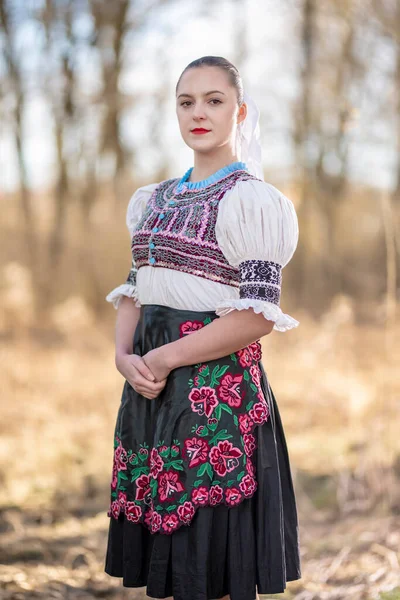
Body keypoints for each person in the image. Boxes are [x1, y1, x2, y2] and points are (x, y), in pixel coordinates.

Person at [104, 55, 301, 600]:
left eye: (214, 100)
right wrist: (124, 356)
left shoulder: (252, 202)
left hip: (214, 390)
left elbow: (257, 315)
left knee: (209, 555)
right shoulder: (154, 200)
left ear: (238, 111)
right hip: (147, 388)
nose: (199, 112)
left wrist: (167, 358)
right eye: (186, 101)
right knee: (166, 557)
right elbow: (136, 289)